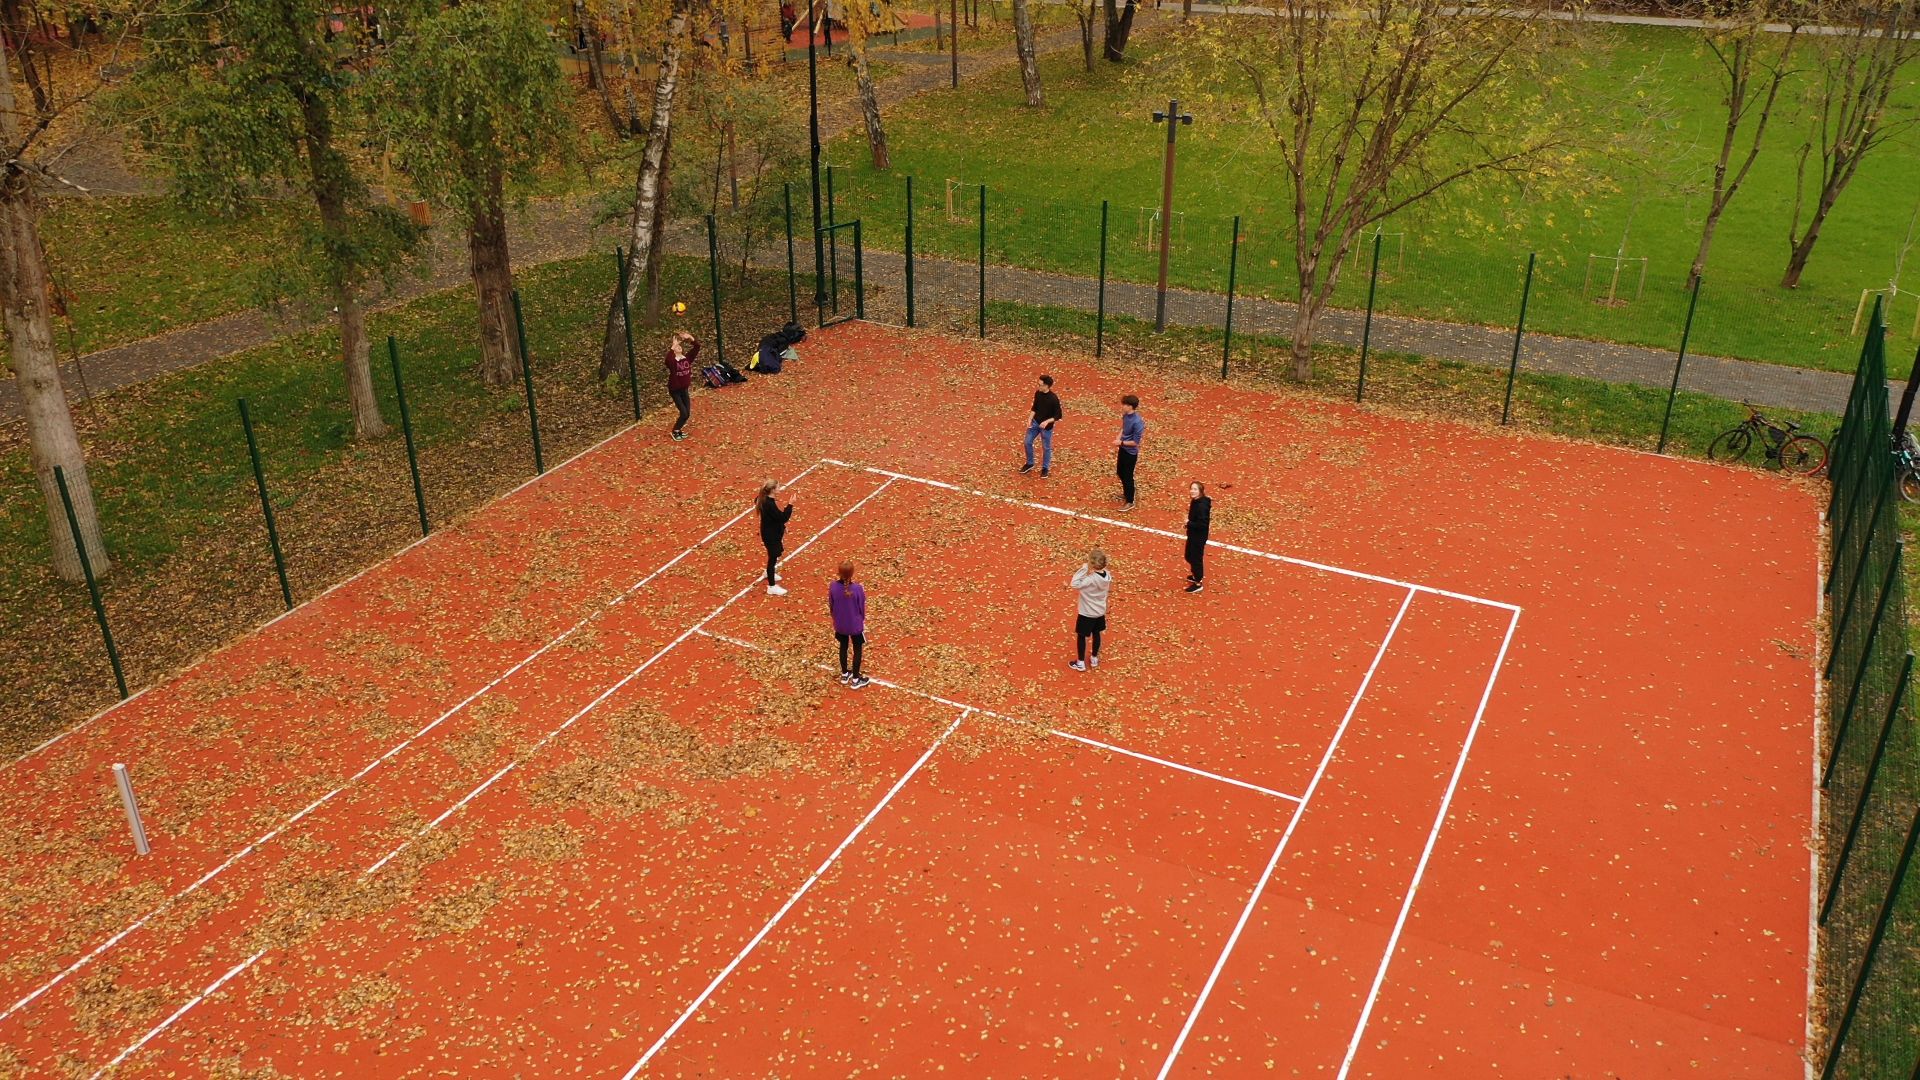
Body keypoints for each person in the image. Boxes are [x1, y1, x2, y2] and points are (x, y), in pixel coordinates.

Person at [1068, 549, 1112, 672]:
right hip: (1099, 612)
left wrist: (1084, 569)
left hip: (1087, 612)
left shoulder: (1091, 579)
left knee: (1082, 636)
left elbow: (1075, 584)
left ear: (1092, 564)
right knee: (1096, 634)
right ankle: (1094, 658)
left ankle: (1080, 662)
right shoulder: (1107, 576)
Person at [829, 561, 869, 689]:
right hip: (855, 624)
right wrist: (861, 619)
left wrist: (835, 618)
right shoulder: (857, 589)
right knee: (857, 649)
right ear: (852, 573)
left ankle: (845, 674)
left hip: (840, 624)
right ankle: (856, 679)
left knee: (843, 646)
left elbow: (831, 604)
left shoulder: (833, 586)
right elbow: (861, 606)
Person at [757, 480, 794, 595]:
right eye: (777, 487)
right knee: (773, 556)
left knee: (776, 553)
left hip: (770, 532)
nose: (779, 489)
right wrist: (790, 504)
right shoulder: (770, 504)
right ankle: (771, 586)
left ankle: (768, 573)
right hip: (771, 535)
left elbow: (774, 518)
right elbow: (782, 517)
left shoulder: (763, 500)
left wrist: (782, 527)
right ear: (772, 490)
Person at [1021, 373, 1062, 476]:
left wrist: (1047, 421)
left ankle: (1045, 468)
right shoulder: (1038, 393)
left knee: (1046, 448)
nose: (1038, 386)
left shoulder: (1053, 399)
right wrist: (1030, 418)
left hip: (1046, 428)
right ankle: (1030, 463)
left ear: (1046, 386)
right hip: (1035, 423)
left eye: (1040, 385)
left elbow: (1058, 415)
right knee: (1027, 442)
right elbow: (1035, 407)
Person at [664, 331, 699, 440]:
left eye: (679, 346)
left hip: (684, 389)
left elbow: (697, 347)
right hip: (675, 390)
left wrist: (690, 337)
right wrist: (672, 346)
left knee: (687, 413)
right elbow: (667, 360)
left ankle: (678, 430)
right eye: (677, 347)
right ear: (674, 351)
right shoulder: (673, 362)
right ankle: (675, 431)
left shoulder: (687, 359)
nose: (679, 347)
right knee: (683, 413)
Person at [1115, 395, 1145, 511]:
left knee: (1128, 476)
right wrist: (1119, 437)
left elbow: (1135, 442)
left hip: (1130, 453)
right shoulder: (1126, 415)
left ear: (1131, 407)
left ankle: (1130, 501)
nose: (1122, 407)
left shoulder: (1137, 423)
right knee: (1120, 472)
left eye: (1125, 405)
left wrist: (1121, 442)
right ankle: (1127, 492)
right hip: (1123, 449)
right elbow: (1124, 427)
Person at [1185, 481, 1211, 593]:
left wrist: (1189, 523)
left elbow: (1202, 524)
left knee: (1196, 559)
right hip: (1193, 534)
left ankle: (1198, 582)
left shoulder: (1201, 506)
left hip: (1198, 537)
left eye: (1195, 489)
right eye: (1191, 489)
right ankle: (1196, 574)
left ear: (1200, 491)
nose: (1192, 491)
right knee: (1188, 556)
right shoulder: (1197, 500)